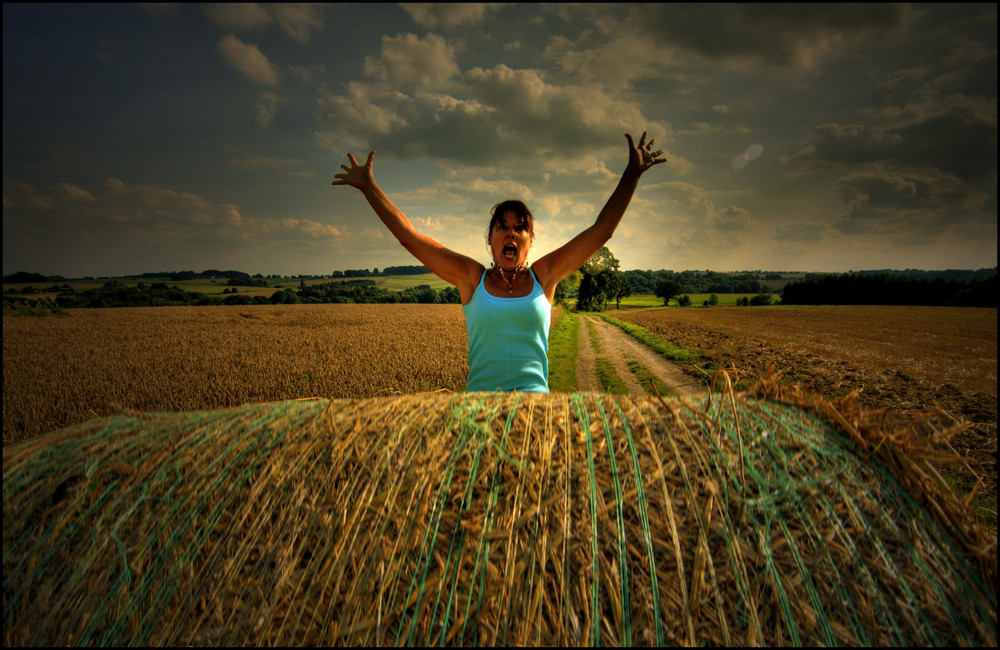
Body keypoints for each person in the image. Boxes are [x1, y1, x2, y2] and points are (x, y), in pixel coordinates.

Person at [332, 132, 666, 393]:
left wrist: (632, 174)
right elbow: (411, 238)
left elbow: (601, 232)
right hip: (479, 414)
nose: (511, 234)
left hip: (536, 415)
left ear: (529, 240)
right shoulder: (470, 278)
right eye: (502, 227)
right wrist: (368, 187)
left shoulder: (544, 276)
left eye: (520, 227)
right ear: (490, 239)